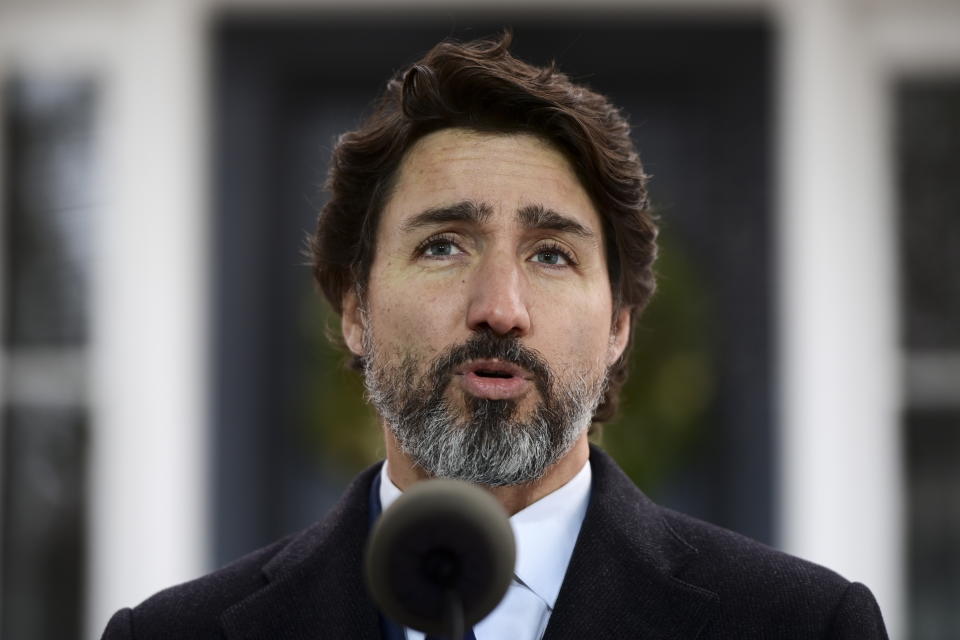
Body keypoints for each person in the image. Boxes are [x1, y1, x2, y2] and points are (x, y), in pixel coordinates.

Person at [101, 33, 888, 639]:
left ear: (619, 325)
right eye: (442, 246)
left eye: (552, 254)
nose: (500, 308)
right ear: (353, 307)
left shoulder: (803, 626)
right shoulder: (172, 635)